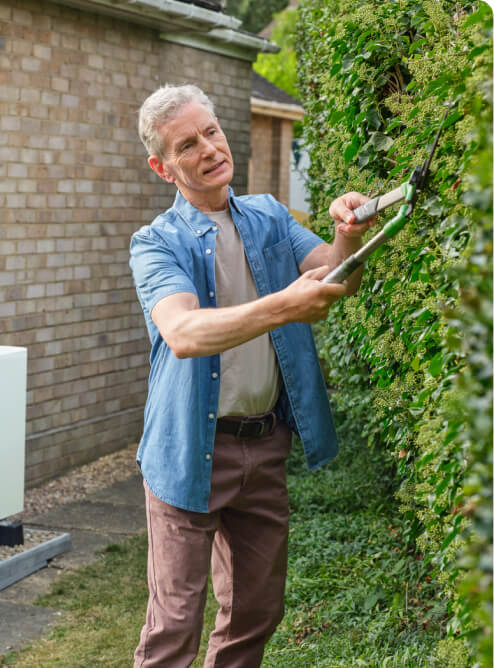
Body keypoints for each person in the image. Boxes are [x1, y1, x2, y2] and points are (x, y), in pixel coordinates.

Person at [129, 83, 373, 668]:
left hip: (262, 448)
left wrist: (348, 230)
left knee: (255, 612)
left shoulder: (268, 215)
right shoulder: (155, 243)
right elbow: (184, 333)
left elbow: (335, 276)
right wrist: (283, 306)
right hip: (186, 450)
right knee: (174, 629)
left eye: (211, 131)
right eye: (187, 145)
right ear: (163, 168)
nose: (209, 148)